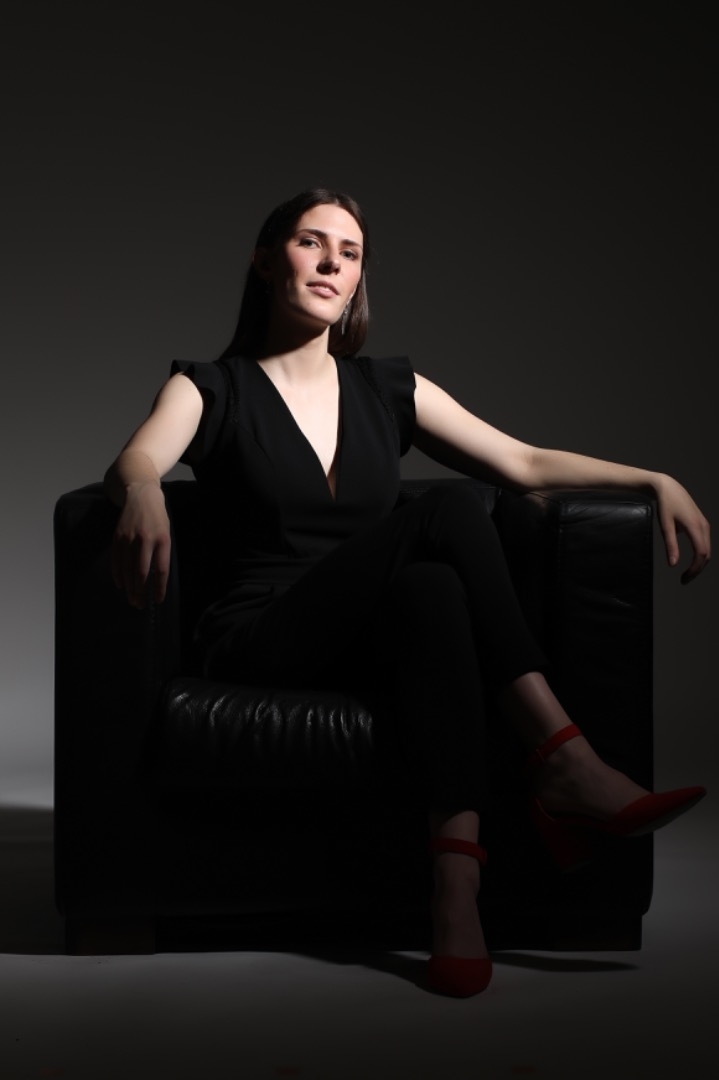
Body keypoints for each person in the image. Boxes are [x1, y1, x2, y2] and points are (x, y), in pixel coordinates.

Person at [104, 187, 710, 998]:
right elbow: (139, 457)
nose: (330, 263)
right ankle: (564, 759)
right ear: (265, 260)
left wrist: (652, 478)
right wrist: (141, 488)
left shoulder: (388, 389)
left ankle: (455, 887)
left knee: (429, 589)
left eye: (349, 253)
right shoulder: (212, 387)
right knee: (449, 510)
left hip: (366, 638)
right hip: (261, 636)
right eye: (310, 243)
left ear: (359, 278)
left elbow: (522, 462)